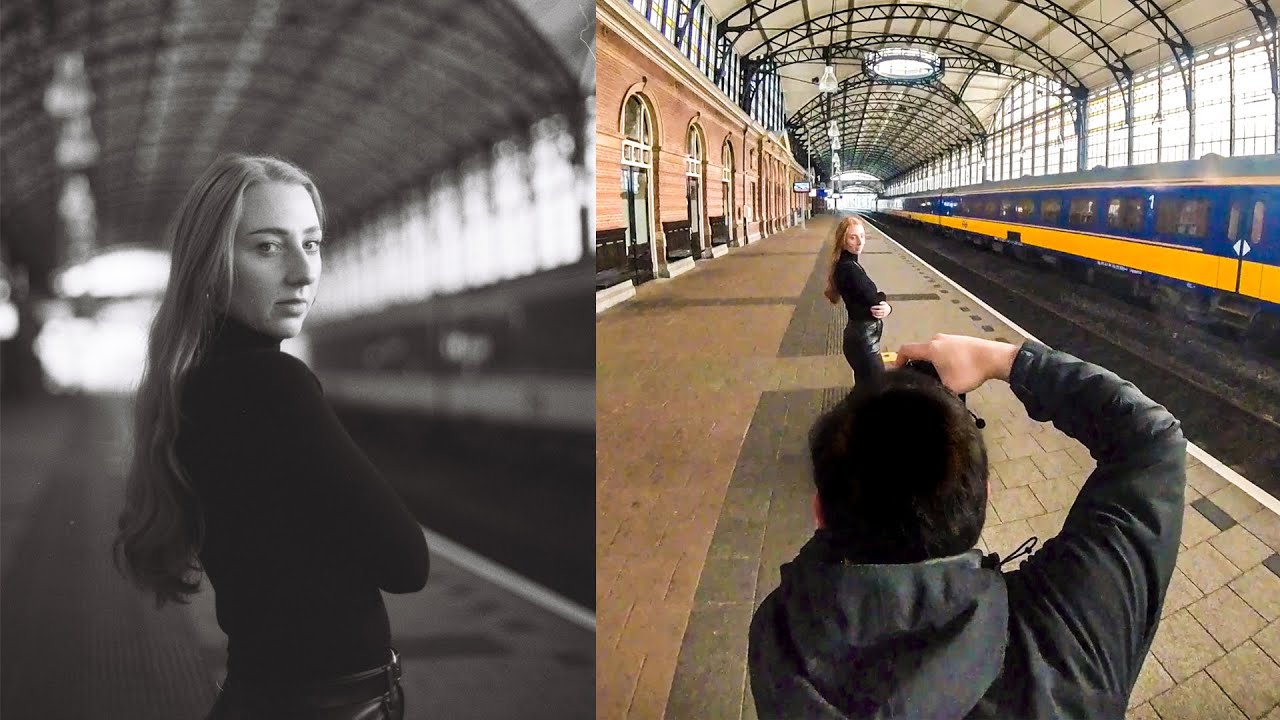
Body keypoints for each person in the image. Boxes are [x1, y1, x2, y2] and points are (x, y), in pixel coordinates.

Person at [113, 154, 430, 719]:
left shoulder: (195, 380)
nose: (303, 272)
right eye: (267, 246)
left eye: (311, 243)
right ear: (212, 265)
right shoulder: (270, 382)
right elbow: (408, 562)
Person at [748, 333, 1186, 719]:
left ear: (819, 512)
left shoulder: (778, 638)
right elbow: (1152, 438)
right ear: (986, 498)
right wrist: (1004, 360)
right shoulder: (1070, 635)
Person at [824, 216, 892, 390]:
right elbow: (872, 298)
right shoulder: (849, 268)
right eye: (853, 237)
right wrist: (885, 303)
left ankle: (852, 416)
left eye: (862, 236)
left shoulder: (847, 264)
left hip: (860, 338)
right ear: (843, 240)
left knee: (865, 388)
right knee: (877, 389)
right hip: (863, 341)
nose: (860, 242)